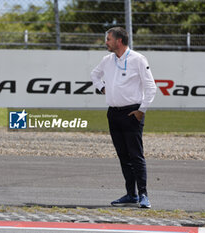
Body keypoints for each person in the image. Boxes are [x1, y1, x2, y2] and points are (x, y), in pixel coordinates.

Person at [90, 27, 157, 208]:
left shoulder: (138, 59)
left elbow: (151, 87)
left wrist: (142, 110)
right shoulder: (107, 60)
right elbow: (94, 75)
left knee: (136, 155)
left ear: (119, 41)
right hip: (113, 113)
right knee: (123, 155)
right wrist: (103, 88)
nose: (106, 42)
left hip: (132, 113)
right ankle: (131, 194)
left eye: (108, 39)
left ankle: (143, 195)